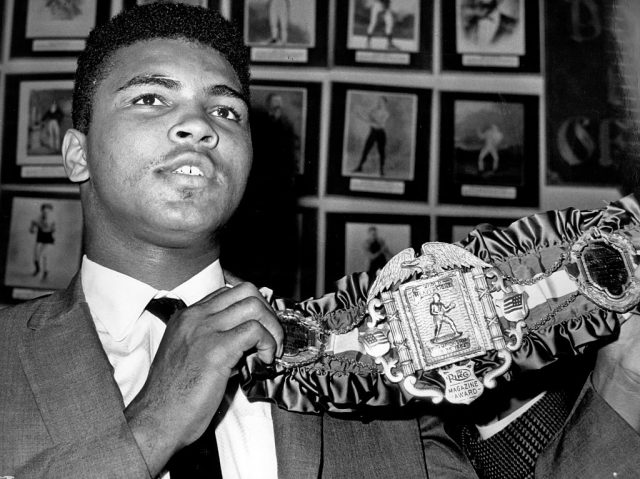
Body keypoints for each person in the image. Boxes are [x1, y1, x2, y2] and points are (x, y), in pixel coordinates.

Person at [0, 4, 465, 478]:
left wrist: (505, 362)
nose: (200, 125)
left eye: (225, 111)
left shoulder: (369, 362)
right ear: (78, 155)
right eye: (150, 99)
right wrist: (153, 427)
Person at [353, 95, 390, 176]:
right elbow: (368, 119)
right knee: (366, 149)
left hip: (380, 133)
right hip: (372, 132)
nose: (379, 103)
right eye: (378, 101)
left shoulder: (386, 113)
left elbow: (379, 123)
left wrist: (368, 119)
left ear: (385, 103)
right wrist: (360, 115)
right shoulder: (374, 111)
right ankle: (359, 167)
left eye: (381, 101)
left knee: (381, 152)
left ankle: (382, 170)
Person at [29, 203, 56, 280]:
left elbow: (51, 229)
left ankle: (45, 271)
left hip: (48, 238)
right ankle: (37, 269)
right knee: (36, 254)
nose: (46, 213)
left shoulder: (52, 218)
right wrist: (32, 228)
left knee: (44, 255)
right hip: (40, 237)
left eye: (47, 212)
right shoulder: (38, 217)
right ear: (42, 211)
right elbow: (33, 223)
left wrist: (46, 224)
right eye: (44, 211)